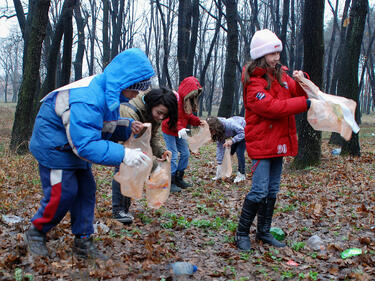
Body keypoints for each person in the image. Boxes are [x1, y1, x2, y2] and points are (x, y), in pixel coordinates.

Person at [25, 48, 154, 260]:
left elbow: (102, 125)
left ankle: (83, 240)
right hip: (55, 147)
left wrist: (128, 126)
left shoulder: (108, 93)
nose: (137, 94)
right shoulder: (88, 97)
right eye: (136, 88)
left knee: (86, 191)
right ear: (125, 83)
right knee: (63, 192)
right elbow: (85, 144)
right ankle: (36, 231)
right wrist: (123, 153)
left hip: (74, 145)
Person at [235, 29, 311, 251]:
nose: (277, 57)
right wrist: (302, 105)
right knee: (259, 190)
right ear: (261, 55)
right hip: (261, 144)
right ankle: (241, 233)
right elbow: (272, 107)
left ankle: (263, 232)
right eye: (271, 53)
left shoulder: (281, 76)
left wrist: (303, 80)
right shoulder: (253, 83)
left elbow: (298, 91)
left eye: (278, 52)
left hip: (278, 142)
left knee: (272, 190)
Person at [112, 87, 178, 224]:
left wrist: (160, 151)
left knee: (133, 171)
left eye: (164, 115)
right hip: (121, 143)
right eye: (159, 113)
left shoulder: (156, 113)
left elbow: (151, 137)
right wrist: (154, 167)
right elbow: (131, 144)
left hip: (134, 144)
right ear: (151, 105)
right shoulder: (129, 110)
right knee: (124, 169)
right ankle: (118, 209)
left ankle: (125, 207)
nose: (161, 117)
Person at [161, 76, 204, 192]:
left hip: (180, 131)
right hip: (169, 130)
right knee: (173, 155)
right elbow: (171, 118)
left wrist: (198, 122)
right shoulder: (175, 100)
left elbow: (188, 117)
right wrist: (180, 128)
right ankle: (171, 180)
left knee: (185, 153)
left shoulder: (187, 102)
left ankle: (179, 177)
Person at [207, 116, 247, 183]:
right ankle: (222, 172)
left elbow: (242, 133)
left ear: (216, 127)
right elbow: (220, 148)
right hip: (236, 133)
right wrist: (219, 163)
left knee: (239, 152)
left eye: (211, 131)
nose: (211, 133)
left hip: (244, 130)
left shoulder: (230, 124)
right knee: (229, 151)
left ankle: (241, 174)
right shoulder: (218, 132)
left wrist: (232, 141)